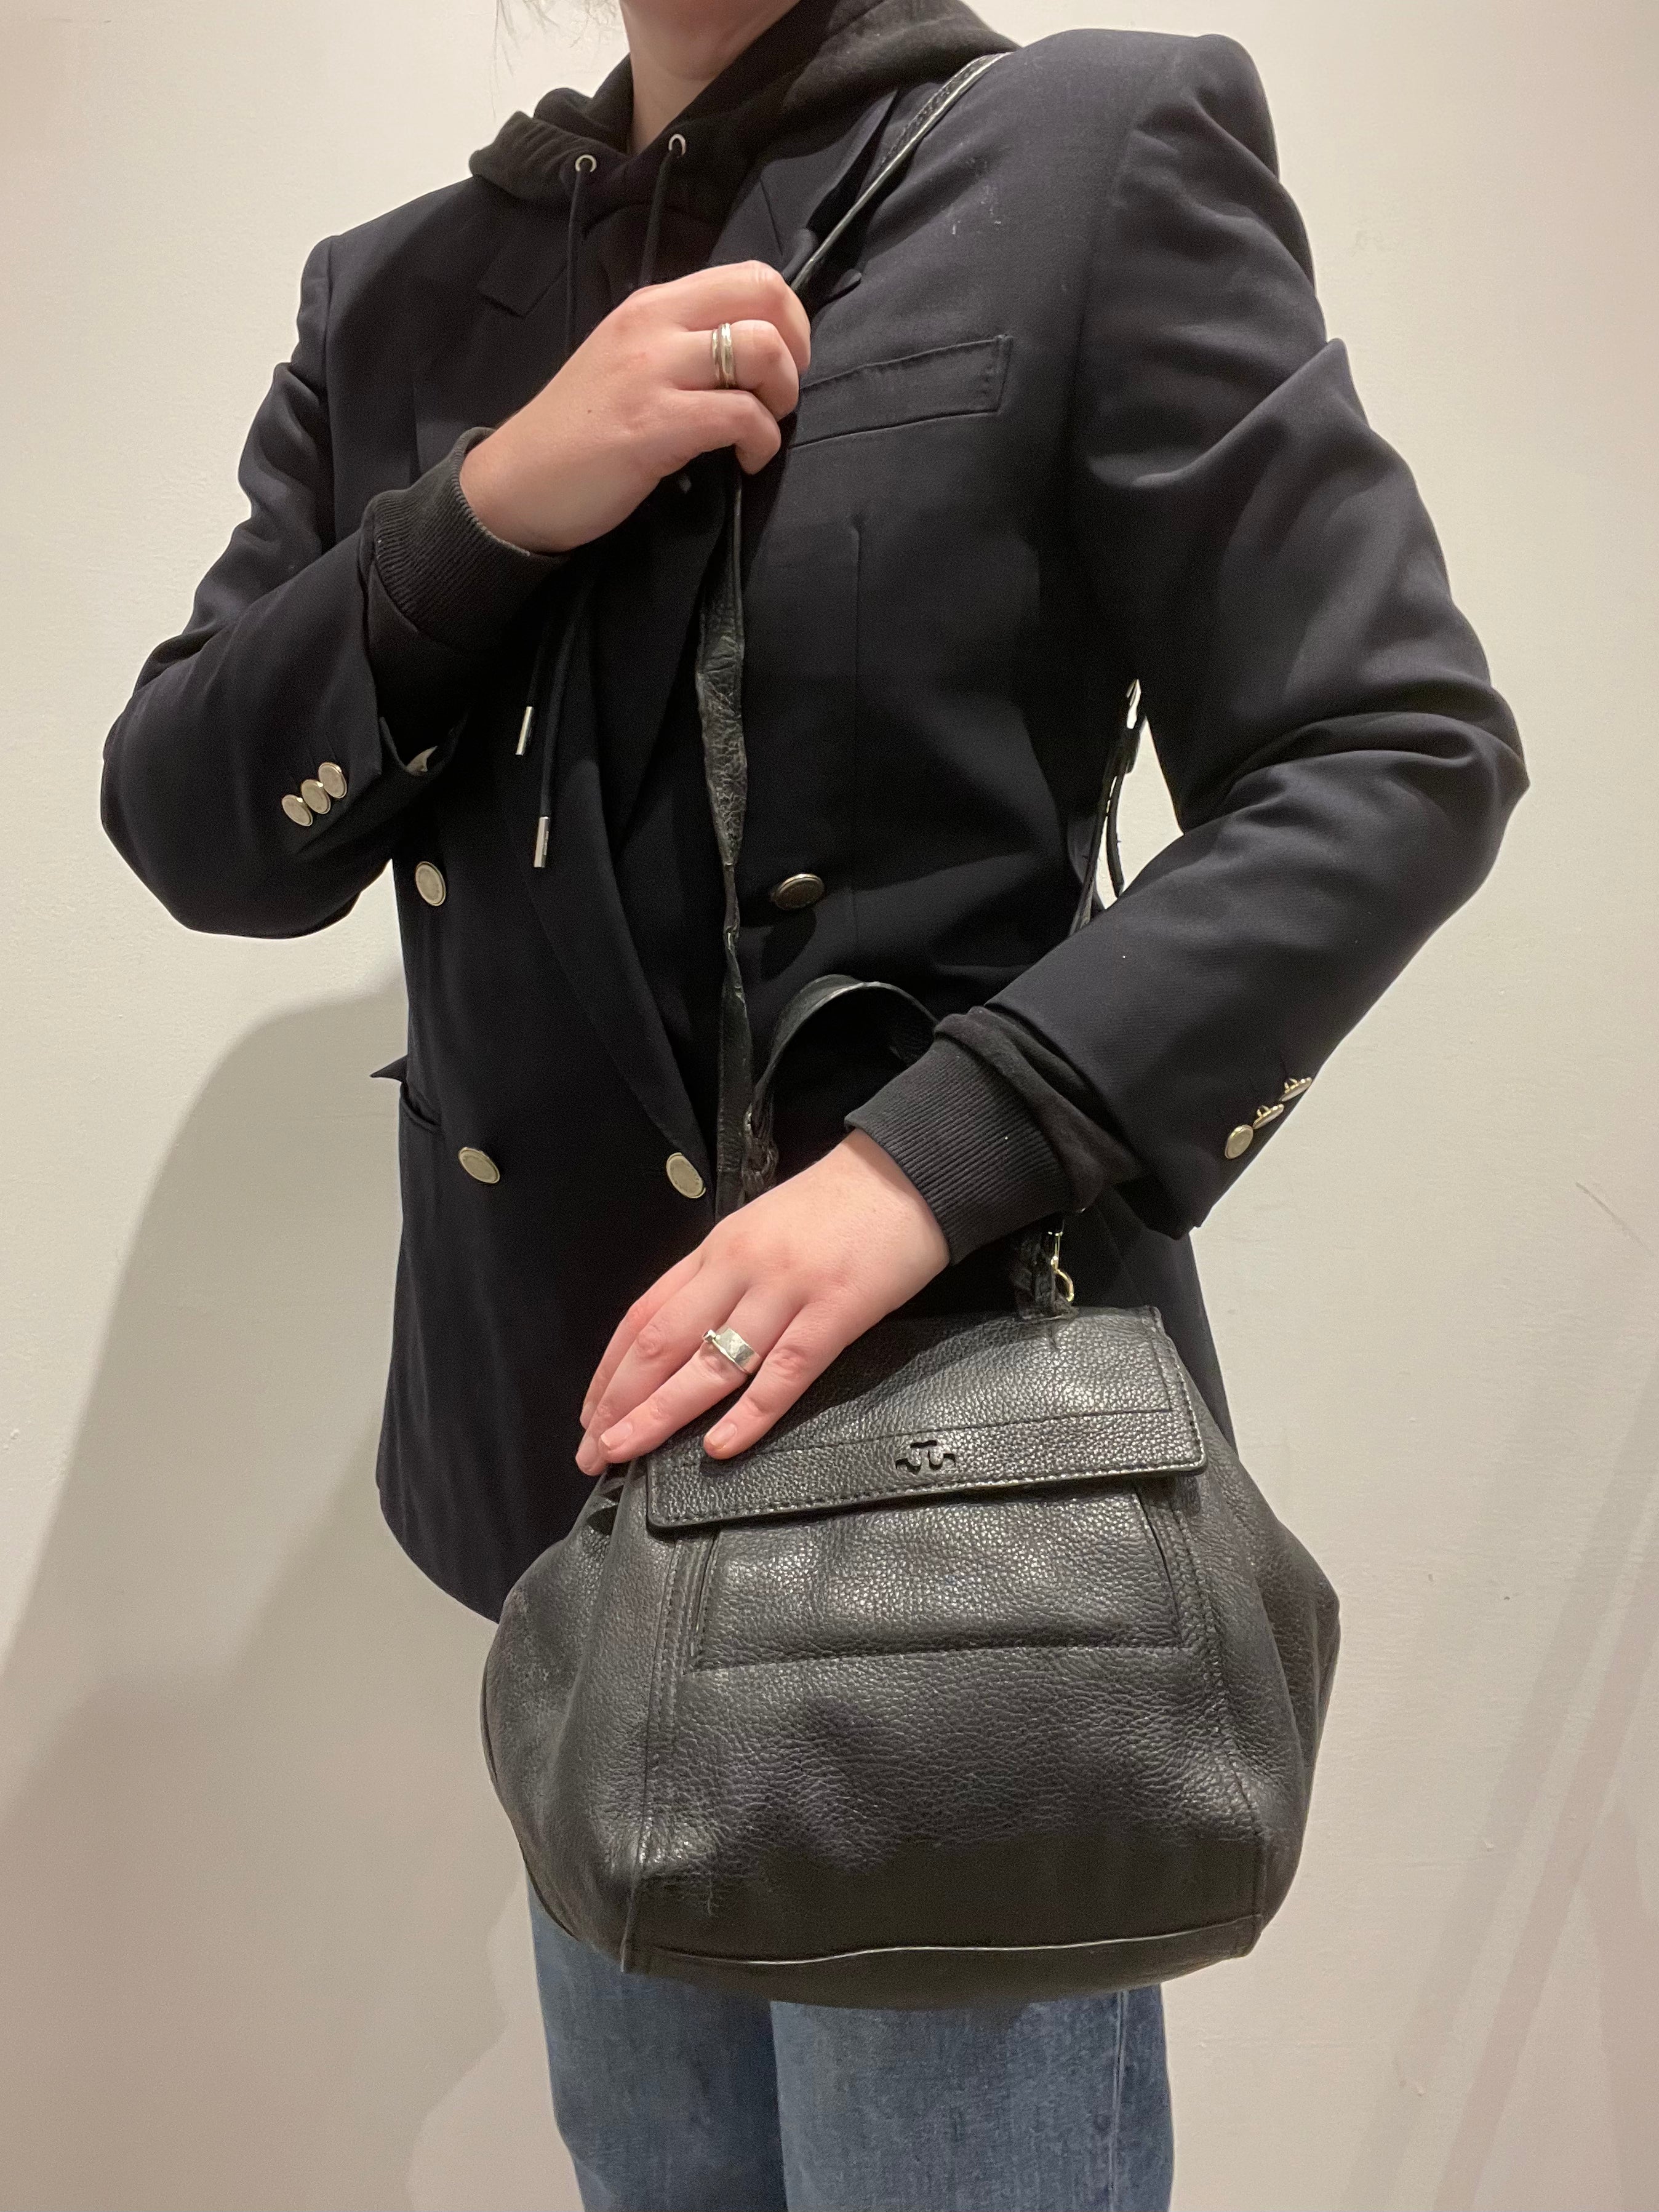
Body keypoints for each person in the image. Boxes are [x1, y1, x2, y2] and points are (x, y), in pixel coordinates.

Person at [100, 0, 1525, 2200]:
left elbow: (1394, 749)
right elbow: (198, 821)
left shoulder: (1084, 157)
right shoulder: (398, 296)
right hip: (583, 1494)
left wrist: (925, 1164)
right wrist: (485, 511)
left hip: (965, 1520)